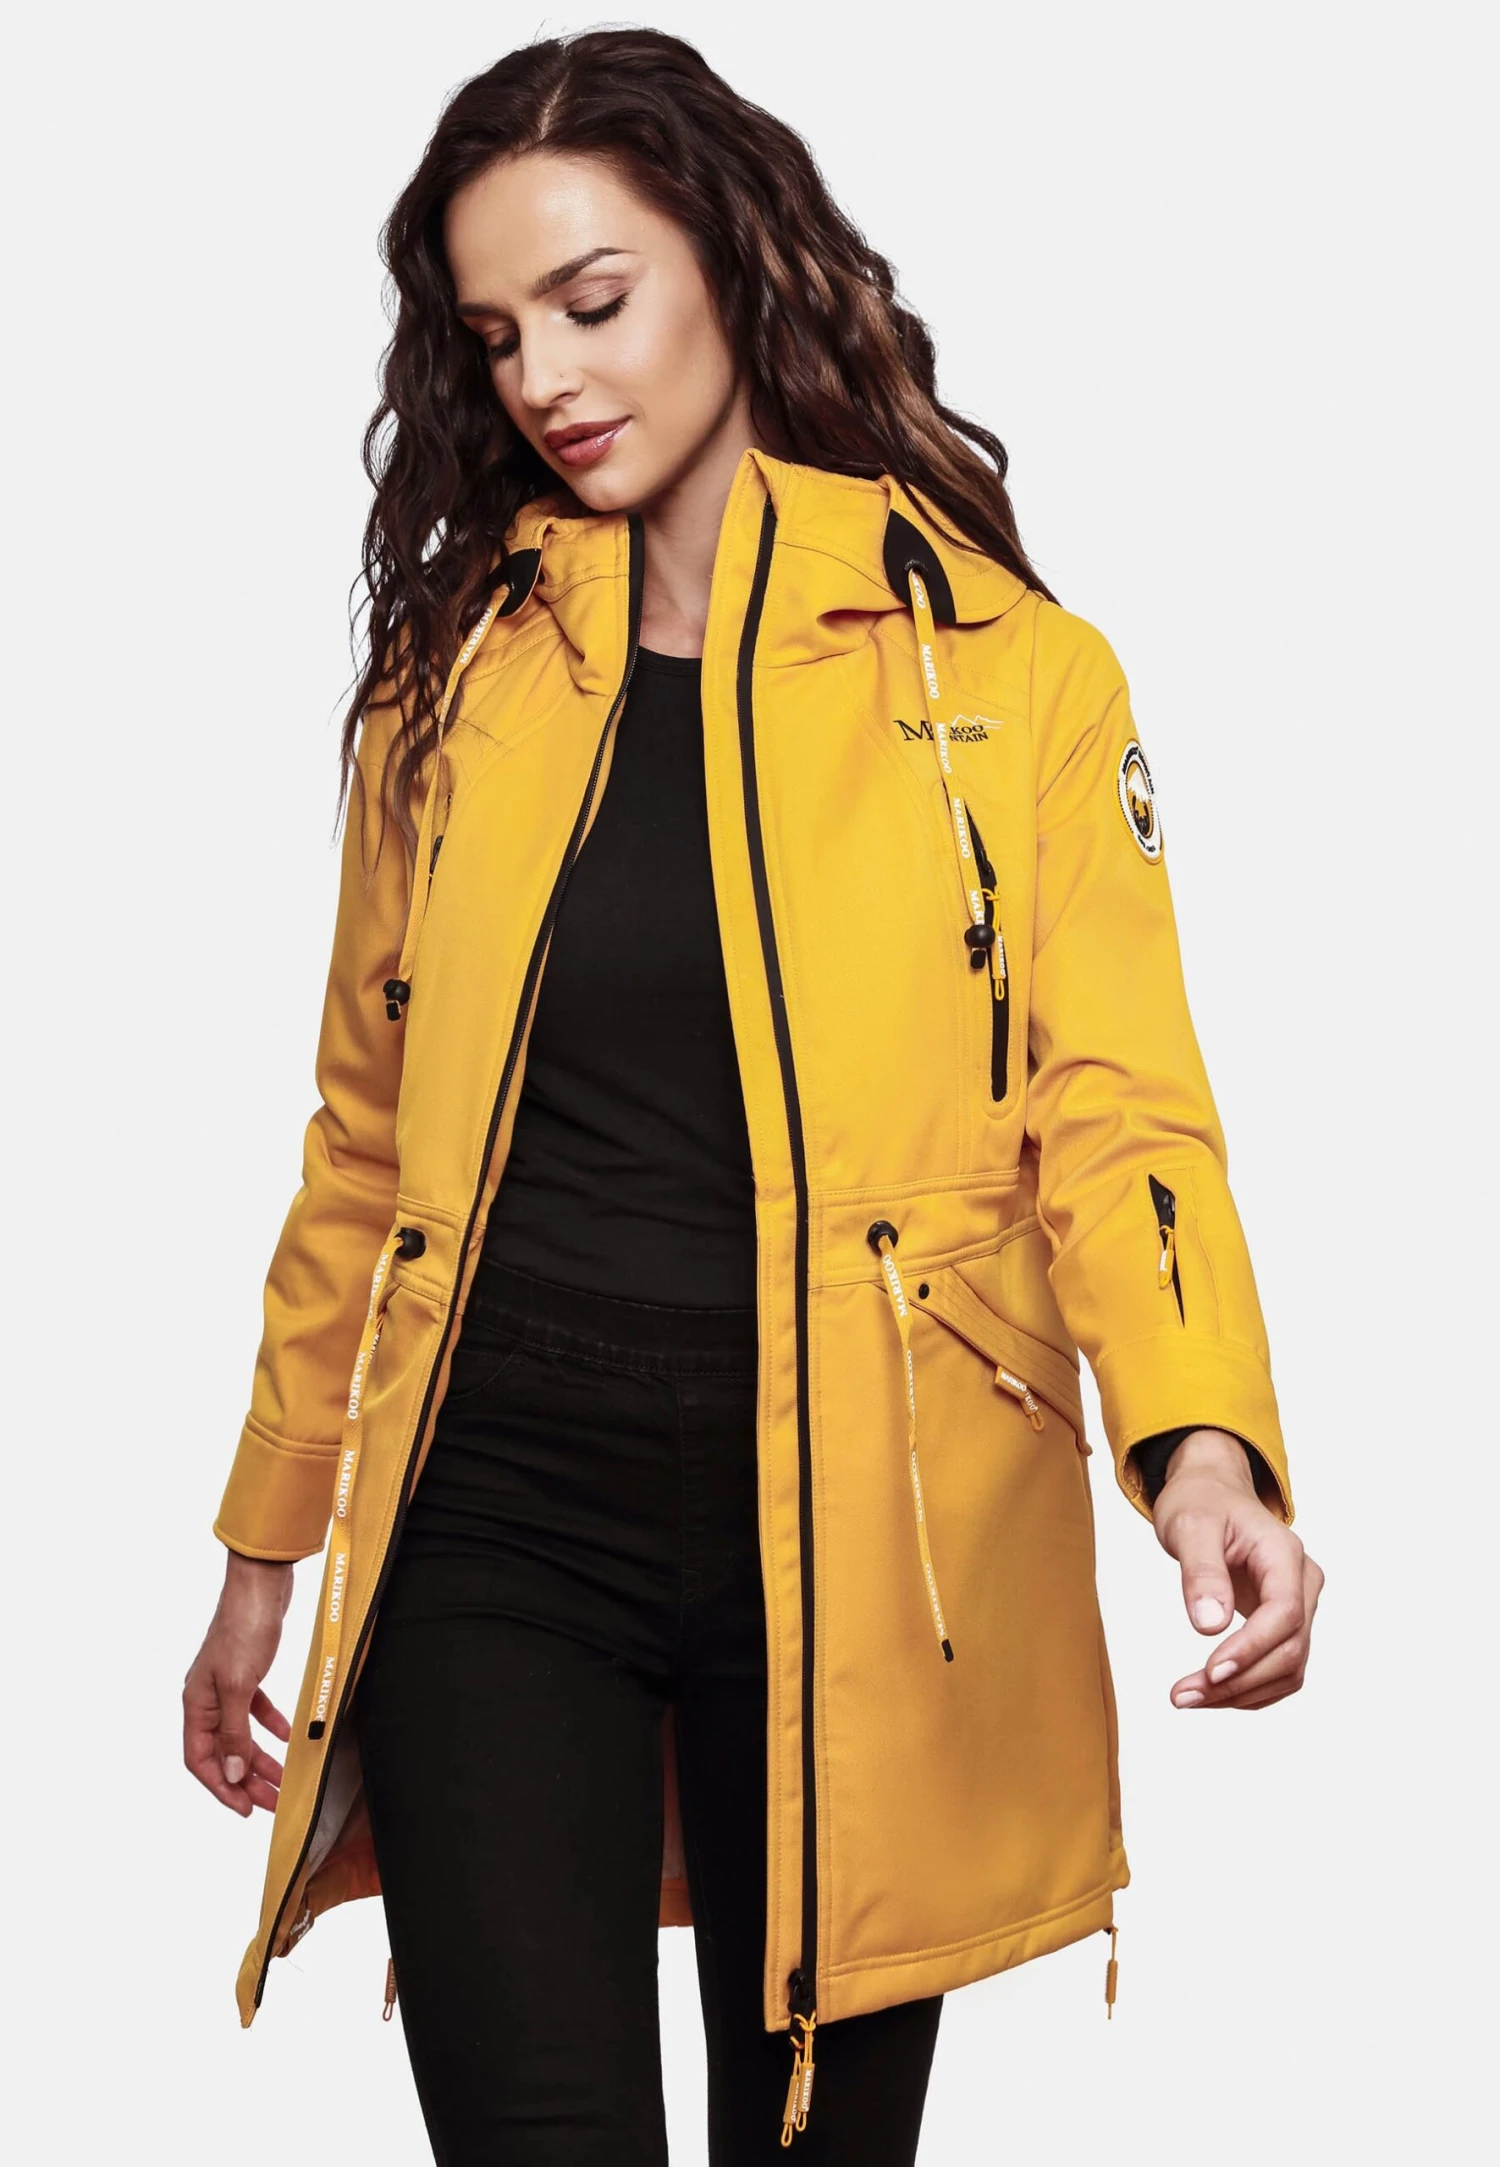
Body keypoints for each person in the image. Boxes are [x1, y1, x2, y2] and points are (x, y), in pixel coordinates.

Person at [182, 27, 1324, 2165]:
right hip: (493, 1508)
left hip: (873, 1534)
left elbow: (1118, 1113)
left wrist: (1202, 1448)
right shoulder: (457, 679)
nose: (545, 375)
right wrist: (268, 1534)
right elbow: (364, 1137)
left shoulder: (1010, 679)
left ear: (734, 259)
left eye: (593, 301)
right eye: (497, 333)